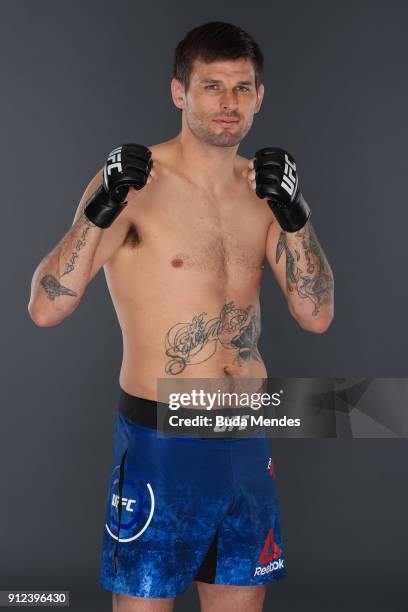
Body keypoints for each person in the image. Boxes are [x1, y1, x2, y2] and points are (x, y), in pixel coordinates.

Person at [28, 21, 334, 612]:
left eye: (242, 88)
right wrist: (97, 212)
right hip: (159, 439)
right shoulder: (137, 184)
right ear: (179, 93)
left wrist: (297, 217)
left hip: (244, 432)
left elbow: (316, 314)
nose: (228, 104)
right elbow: (46, 308)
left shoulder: (266, 191)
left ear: (260, 97)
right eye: (212, 86)